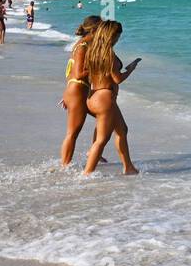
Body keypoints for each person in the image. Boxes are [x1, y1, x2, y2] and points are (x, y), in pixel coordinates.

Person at [83, 20, 140, 175]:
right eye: (118, 36)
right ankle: (87, 174)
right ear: (112, 36)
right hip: (105, 99)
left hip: (93, 96)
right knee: (101, 140)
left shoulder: (93, 51)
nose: (118, 39)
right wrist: (131, 68)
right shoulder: (108, 53)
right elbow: (117, 79)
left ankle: (128, 167)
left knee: (122, 130)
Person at [60, 15, 102, 166]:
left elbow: (70, 72)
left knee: (103, 118)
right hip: (77, 89)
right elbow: (78, 73)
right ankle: (65, 166)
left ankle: (95, 151)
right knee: (72, 133)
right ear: (95, 30)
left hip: (75, 90)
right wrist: (99, 67)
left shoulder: (82, 44)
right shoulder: (83, 47)